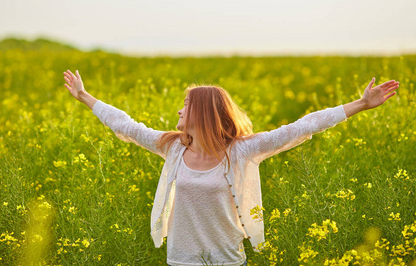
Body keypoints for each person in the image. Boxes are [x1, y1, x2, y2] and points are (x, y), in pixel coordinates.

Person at [63, 70, 399, 266]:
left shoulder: (242, 152)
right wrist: (84, 96)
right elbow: (125, 125)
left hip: (227, 261)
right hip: (181, 260)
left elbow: (301, 127)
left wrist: (361, 104)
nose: (179, 112)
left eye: (185, 105)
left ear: (204, 113)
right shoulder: (173, 147)